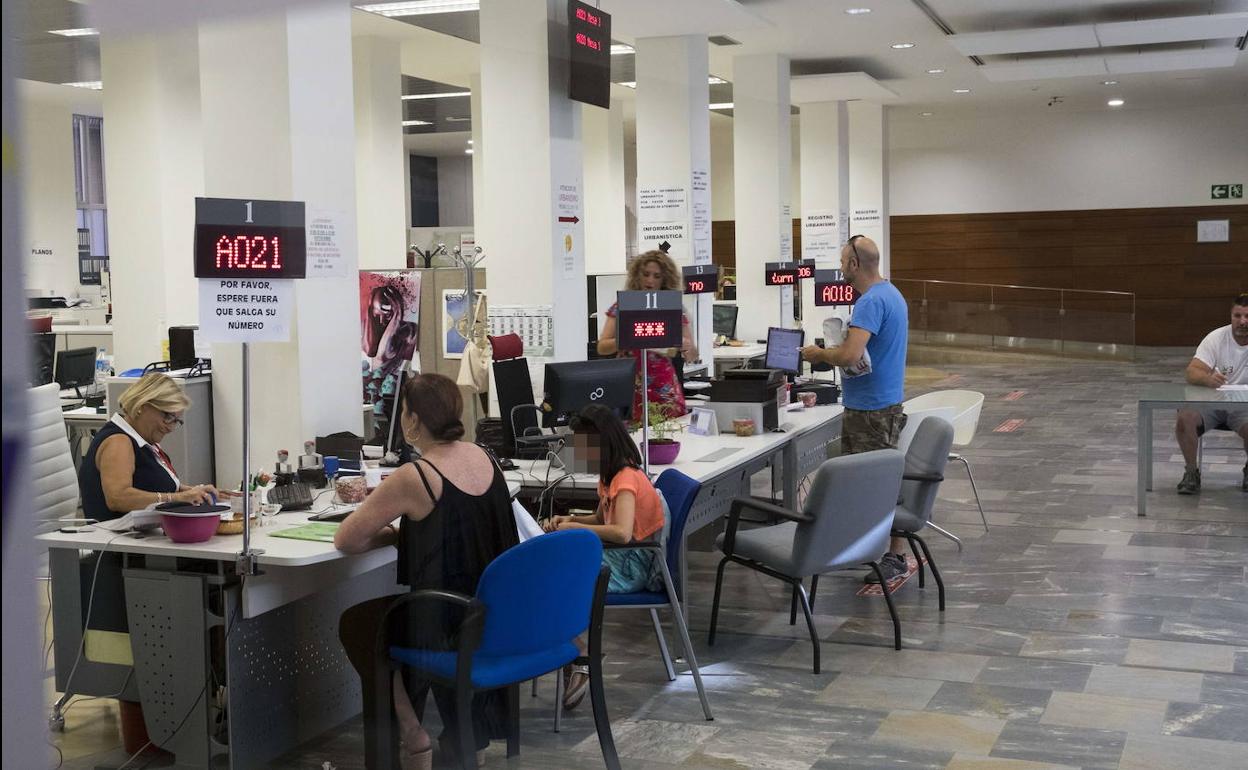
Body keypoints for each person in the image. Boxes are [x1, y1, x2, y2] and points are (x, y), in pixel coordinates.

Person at [335, 373, 519, 770]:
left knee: (362, 625)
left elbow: (347, 539)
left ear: (414, 420)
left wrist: (393, 533)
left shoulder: (415, 476)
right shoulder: (485, 457)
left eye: (404, 411)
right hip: (491, 613)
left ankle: (412, 733)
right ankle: (468, 739)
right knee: (384, 621)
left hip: (443, 619)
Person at [798, 235, 911, 582]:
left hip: (871, 411)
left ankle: (895, 556)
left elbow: (849, 355)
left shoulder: (870, 302)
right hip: (880, 404)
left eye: (842, 261)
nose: (840, 268)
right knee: (868, 483)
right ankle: (865, 547)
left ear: (854, 264)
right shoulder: (892, 293)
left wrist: (819, 354)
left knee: (876, 485)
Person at [540, 404, 666, 710]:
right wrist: (569, 519)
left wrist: (573, 528)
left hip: (630, 565)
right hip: (621, 558)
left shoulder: (625, 478)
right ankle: (575, 653)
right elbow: (601, 520)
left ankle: (579, 654)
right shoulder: (611, 476)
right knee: (549, 574)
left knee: (548, 582)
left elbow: (621, 533)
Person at [78, 372, 230, 521]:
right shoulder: (118, 442)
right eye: (168, 417)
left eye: (176, 421)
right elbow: (119, 498)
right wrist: (179, 497)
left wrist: (195, 492)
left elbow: (154, 485)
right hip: (117, 535)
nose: (170, 427)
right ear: (142, 406)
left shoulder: (142, 441)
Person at [597, 250, 699, 420]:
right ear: (637, 275)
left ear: (664, 279)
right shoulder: (622, 306)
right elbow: (602, 347)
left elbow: (692, 355)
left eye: (657, 276)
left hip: (663, 385)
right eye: (646, 274)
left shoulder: (673, 308)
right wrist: (628, 338)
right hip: (630, 383)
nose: (650, 280)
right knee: (633, 431)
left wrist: (687, 346)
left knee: (668, 430)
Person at [1174, 293, 1248, 495]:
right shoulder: (1216, 337)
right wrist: (1207, 379)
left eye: (1247, 316)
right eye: (1237, 316)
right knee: (1184, 417)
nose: (1243, 321)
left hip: (1244, 408)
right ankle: (1191, 472)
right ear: (1231, 316)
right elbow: (1192, 371)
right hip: (1212, 402)